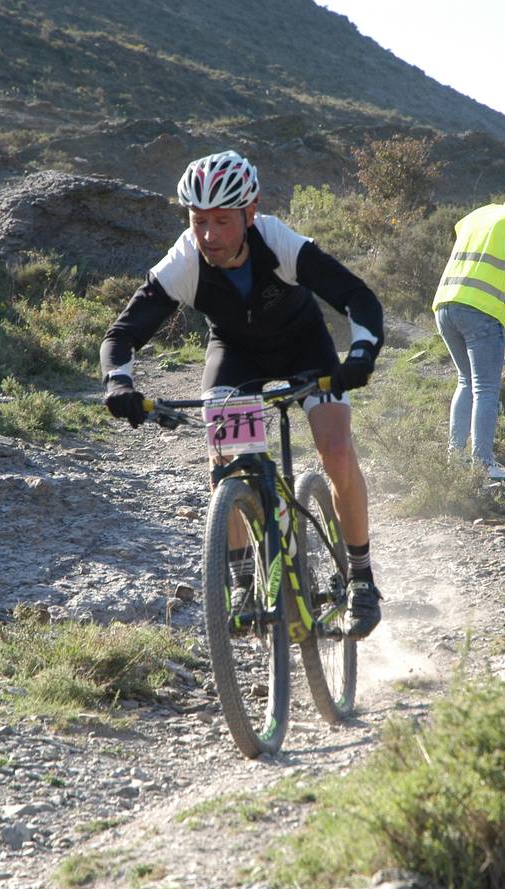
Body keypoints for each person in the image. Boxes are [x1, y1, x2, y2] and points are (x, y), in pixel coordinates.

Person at [100, 151, 386, 639]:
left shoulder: (278, 242)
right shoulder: (185, 260)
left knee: (335, 449)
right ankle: (242, 580)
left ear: (250, 213)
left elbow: (357, 296)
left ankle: (360, 577)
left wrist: (360, 355)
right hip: (236, 354)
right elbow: (120, 335)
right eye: (198, 220)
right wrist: (119, 383)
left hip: (304, 347)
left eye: (222, 221)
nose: (208, 234)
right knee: (229, 460)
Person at [431, 176, 505, 482]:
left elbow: (481, 258)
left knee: (466, 382)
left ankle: (454, 463)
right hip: (480, 311)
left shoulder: (478, 214)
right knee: (486, 388)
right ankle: (482, 464)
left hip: (445, 304)